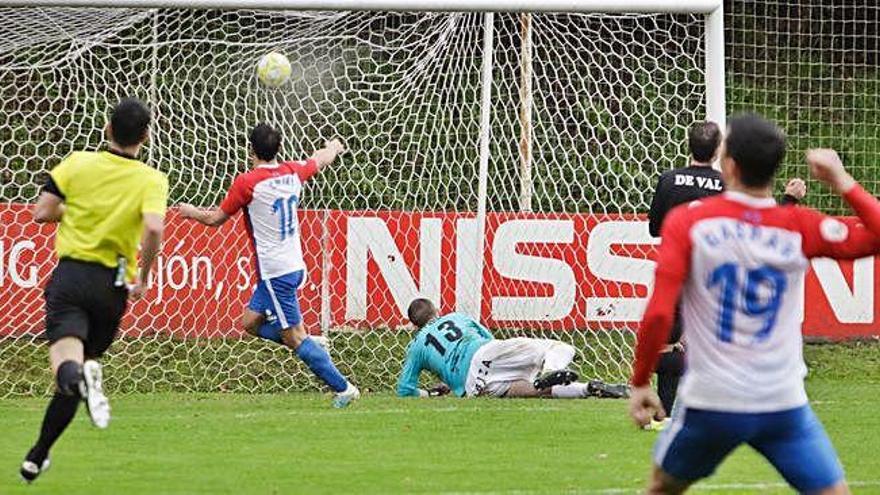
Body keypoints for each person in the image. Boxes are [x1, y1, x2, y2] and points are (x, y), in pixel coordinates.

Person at [629, 113, 880, 493]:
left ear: (728, 165)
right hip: (781, 404)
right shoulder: (799, 226)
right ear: (775, 169)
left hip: (711, 403)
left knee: (662, 487)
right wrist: (840, 179)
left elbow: (660, 312)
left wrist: (640, 380)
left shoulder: (689, 222)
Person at [20, 98, 168, 482]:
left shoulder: (77, 163)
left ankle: (83, 378)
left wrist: (78, 212)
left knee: (66, 369)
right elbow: (153, 228)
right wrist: (146, 276)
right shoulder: (151, 179)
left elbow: (42, 212)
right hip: (112, 286)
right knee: (75, 373)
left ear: (106, 129)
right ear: (146, 136)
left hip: (71, 278)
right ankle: (37, 457)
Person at [179, 124, 359, 408]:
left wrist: (190, 213)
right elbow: (320, 159)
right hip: (289, 266)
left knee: (294, 337)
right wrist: (335, 147)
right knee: (250, 323)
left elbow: (215, 219)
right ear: (279, 149)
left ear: (251, 149)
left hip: (277, 273)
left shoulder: (247, 183)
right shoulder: (292, 171)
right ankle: (308, 341)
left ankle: (344, 388)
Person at [645, 121, 807, 429]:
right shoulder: (725, 185)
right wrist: (789, 201)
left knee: (667, 342)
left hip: (678, 269)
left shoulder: (668, 180)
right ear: (719, 149)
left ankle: (663, 414)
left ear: (688, 144)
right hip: (715, 273)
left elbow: (654, 228)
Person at [397, 298, 628, 399]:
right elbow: (489, 338)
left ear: (414, 326)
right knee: (559, 348)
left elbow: (405, 389)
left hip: (472, 387)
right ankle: (550, 370)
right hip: (484, 353)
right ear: (437, 311)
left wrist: (431, 393)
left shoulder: (416, 346)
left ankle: (588, 389)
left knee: (535, 391)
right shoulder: (456, 317)